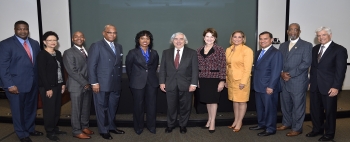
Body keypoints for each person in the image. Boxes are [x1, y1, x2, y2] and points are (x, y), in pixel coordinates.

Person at [0, 20, 42, 142]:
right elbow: (2, 67)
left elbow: (35, 64)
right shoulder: (5, 44)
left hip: (33, 83)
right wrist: (9, 85)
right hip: (15, 85)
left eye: (25, 29)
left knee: (31, 108)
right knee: (18, 111)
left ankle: (29, 129)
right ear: (15, 30)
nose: (23, 31)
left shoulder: (34, 43)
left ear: (28, 30)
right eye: (20, 29)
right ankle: (22, 134)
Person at [307, 26, 347, 141]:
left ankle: (329, 133)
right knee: (315, 109)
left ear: (330, 35)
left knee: (329, 111)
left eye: (324, 35)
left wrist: (336, 86)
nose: (321, 37)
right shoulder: (315, 49)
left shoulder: (339, 50)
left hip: (330, 86)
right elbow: (314, 68)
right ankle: (317, 129)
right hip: (315, 85)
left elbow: (340, 71)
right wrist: (310, 81)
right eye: (319, 35)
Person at [87, 24, 125, 140]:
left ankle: (112, 126)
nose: (112, 35)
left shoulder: (119, 46)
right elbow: (91, 65)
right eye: (110, 32)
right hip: (101, 84)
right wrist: (94, 82)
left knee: (113, 107)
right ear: (104, 33)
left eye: (114, 33)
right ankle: (103, 130)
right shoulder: (97, 46)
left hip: (115, 83)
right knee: (101, 107)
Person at [159, 32, 198, 134]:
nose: (178, 41)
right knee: (171, 106)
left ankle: (183, 125)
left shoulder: (192, 53)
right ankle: (170, 125)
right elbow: (162, 69)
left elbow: (195, 70)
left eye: (181, 39)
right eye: (176, 39)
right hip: (170, 83)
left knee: (185, 107)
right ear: (172, 41)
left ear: (185, 41)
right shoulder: (166, 52)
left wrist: (193, 84)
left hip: (186, 84)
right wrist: (162, 82)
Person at [277, 23, 312, 136]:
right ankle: (286, 123)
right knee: (285, 104)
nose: (293, 32)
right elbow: (279, 62)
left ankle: (297, 128)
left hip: (297, 81)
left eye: (295, 30)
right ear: (287, 32)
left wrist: (289, 74)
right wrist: (281, 73)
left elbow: (306, 63)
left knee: (298, 106)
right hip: (283, 80)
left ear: (299, 32)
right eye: (291, 30)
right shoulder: (282, 45)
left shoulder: (306, 45)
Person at [125, 30, 159, 135]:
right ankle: (138, 127)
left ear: (150, 41)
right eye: (142, 38)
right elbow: (128, 69)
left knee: (151, 105)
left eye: (147, 38)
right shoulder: (132, 53)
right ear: (138, 40)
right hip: (137, 83)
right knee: (138, 106)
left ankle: (151, 126)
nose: (145, 40)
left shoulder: (154, 53)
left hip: (152, 82)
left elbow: (153, 67)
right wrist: (134, 79)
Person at [249, 31, 282, 136]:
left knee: (270, 109)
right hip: (258, 86)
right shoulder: (259, 52)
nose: (262, 41)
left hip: (268, 87)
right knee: (260, 108)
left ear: (271, 40)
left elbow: (276, 71)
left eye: (265, 39)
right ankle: (261, 124)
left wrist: (271, 86)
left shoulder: (276, 53)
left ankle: (270, 129)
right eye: (261, 39)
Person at [63, 31, 94, 139]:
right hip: (76, 85)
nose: (79, 38)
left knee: (85, 107)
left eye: (81, 36)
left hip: (88, 85)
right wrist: (85, 82)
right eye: (76, 37)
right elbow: (72, 71)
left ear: (84, 39)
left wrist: (90, 82)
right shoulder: (68, 52)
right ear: (72, 39)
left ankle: (84, 126)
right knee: (76, 109)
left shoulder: (87, 51)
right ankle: (76, 131)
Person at [37, 31, 67, 141]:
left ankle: (54, 127)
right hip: (48, 87)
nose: (53, 42)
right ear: (44, 42)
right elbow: (42, 73)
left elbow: (61, 69)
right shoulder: (42, 55)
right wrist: (48, 88)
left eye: (55, 40)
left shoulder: (58, 53)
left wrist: (63, 83)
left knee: (56, 108)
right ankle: (49, 131)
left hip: (58, 85)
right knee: (49, 110)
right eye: (50, 40)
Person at [196, 28, 226, 133]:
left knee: (213, 101)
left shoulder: (219, 49)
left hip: (215, 79)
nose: (209, 39)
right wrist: (197, 79)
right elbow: (197, 66)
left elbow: (223, 65)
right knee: (208, 101)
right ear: (204, 37)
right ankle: (209, 119)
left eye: (212, 37)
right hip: (203, 79)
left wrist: (222, 80)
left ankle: (213, 122)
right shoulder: (199, 50)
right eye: (207, 36)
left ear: (215, 38)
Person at [225, 31, 253, 132]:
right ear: (231, 38)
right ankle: (235, 120)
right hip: (232, 80)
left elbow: (247, 68)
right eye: (235, 37)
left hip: (241, 80)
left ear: (243, 39)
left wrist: (243, 82)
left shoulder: (247, 50)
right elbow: (227, 66)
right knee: (235, 101)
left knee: (242, 101)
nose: (237, 39)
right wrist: (226, 79)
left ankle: (240, 121)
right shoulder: (229, 49)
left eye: (239, 37)